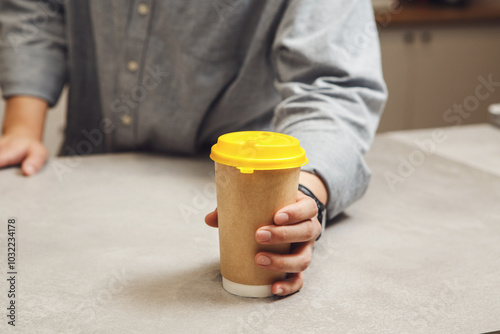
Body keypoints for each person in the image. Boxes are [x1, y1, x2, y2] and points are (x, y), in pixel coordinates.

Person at [0, 0, 387, 296]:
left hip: (243, 197)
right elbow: (37, 9)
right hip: (82, 188)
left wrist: (301, 197)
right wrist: (22, 127)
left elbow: (333, 85)